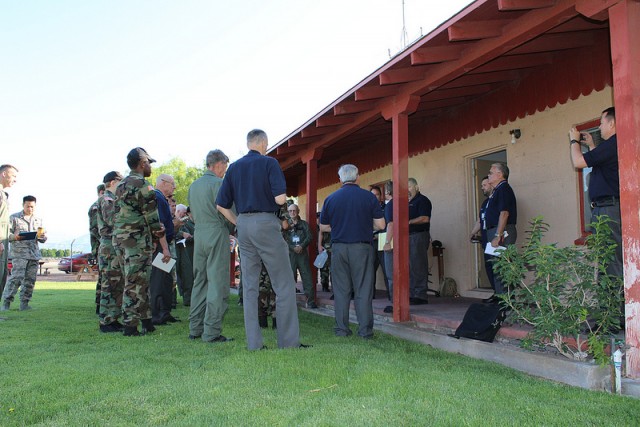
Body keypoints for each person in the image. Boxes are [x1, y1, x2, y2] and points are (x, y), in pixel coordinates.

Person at [216, 129, 306, 350]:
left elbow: (221, 205)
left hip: (244, 226)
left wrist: (239, 223)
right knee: (284, 283)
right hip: (266, 223)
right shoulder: (269, 163)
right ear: (263, 143)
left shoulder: (234, 167)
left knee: (249, 286)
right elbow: (279, 198)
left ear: (248, 144)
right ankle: (288, 342)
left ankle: (254, 344)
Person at [319, 164, 385, 339]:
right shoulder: (368, 197)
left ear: (340, 179)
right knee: (363, 290)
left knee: (341, 290)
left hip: (339, 248)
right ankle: (365, 332)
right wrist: (363, 224)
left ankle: (342, 330)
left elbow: (323, 226)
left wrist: (340, 227)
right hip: (362, 248)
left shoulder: (330, 199)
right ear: (358, 177)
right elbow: (381, 225)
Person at [113, 147, 165, 336]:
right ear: (142, 163)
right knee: (135, 282)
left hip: (119, 239)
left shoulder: (121, 185)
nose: (151, 166)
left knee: (137, 280)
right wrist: (159, 231)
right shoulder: (143, 185)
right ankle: (130, 325)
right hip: (136, 241)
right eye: (149, 163)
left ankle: (147, 321)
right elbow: (151, 215)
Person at [569, 107, 622, 279]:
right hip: (605, 209)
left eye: (601, 123)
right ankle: (610, 300)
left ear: (612, 123)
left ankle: (614, 304)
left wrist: (573, 141)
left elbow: (578, 162)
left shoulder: (613, 143)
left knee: (611, 260)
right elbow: (598, 163)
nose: (599, 127)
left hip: (609, 209)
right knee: (607, 258)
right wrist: (592, 145)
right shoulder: (610, 146)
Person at [188, 149, 235, 343]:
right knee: (218, 283)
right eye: (225, 165)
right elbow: (227, 210)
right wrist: (236, 225)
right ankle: (212, 331)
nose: (225, 169)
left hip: (199, 233)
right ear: (219, 164)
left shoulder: (194, 186)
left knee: (200, 282)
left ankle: (195, 328)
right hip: (216, 232)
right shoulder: (219, 183)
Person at [1, 195, 47, 311]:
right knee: (16, 278)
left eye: (32, 207)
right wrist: (15, 237)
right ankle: (6, 302)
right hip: (19, 254)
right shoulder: (14, 218)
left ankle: (25, 303)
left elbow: (42, 238)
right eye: (28, 206)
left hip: (33, 254)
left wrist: (42, 237)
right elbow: (5, 234)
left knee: (30, 281)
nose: (30, 209)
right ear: (23, 205)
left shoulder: (38, 220)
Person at [96, 171, 125, 332]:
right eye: (121, 182)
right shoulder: (107, 200)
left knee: (117, 282)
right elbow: (112, 220)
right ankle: (106, 320)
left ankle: (113, 318)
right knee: (109, 283)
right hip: (109, 246)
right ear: (113, 182)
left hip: (114, 245)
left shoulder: (114, 199)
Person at [485, 162, 517, 298]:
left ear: (500, 174)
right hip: (495, 231)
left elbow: (504, 213)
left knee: (502, 268)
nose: (488, 175)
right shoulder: (497, 190)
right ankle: (501, 300)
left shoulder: (504, 189)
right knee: (497, 268)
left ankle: (507, 302)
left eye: (491, 173)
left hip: (502, 232)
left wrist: (498, 235)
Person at [150, 173, 177, 326]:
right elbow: (159, 225)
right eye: (172, 184)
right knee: (158, 281)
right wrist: (165, 248)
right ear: (164, 183)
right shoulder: (157, 198)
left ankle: (165, 312)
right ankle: (156, 314)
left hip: (164, 244)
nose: (174, 187)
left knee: (166, 280)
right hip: (161, 246)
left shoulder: (162, 199)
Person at [469, 177, 496, 302]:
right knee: (489, 266)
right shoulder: (485, 203)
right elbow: (480, 221)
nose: (482, 188)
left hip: (495, 239)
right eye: (481, 185)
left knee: (497, 267)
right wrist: (472, 233)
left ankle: (504, 296)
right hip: (486, 240)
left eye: (484, 185)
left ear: (491, 185)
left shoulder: (497, 200)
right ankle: (496, 293)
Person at [284, 203, 316, 308]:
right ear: (288, 213)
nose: (292, 212)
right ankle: (289, 302)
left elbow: (309, 236)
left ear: (298, 212)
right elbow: (282, 239)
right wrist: (293, 247)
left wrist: (301, 246)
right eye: (290, 211)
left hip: (302, 254)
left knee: (307, 277)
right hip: (291, 254)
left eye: (294, 210)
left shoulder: (304, 224)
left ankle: (310, 301)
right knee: (289, 278)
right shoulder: (286, 225)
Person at [407, 177, 432, 305]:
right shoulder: (406, 202)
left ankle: (420, 295)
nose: (407, 190)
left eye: (409, 187)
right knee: (410, 266)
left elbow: (425, 218)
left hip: (418, 236)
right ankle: (412, 294)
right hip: (408, 236)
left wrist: (408, 222)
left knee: (418, 265)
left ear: (416, 187)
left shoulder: (422, 200)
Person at [0, 165, 18, 298]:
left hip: (4, 243)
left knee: (2, 276)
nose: (15, 180)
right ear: (4, 174)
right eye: (13, 176)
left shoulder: (3, 194)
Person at [370, 186, 390, 300]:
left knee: (387, 268)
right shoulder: (366, 208)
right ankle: (370, 295)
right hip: (370, 242)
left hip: (383, 240)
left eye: (377, 194)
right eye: (372, 194)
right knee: (370, 270)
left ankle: (391, 295)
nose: (375, 197)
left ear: (380, 196)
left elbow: (388, 224)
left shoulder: (386, 208)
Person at [89, 183, 105, 315]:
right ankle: (100, 305)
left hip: (103, 246)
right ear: (101, 192)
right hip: (101, 247)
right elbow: (96, 229)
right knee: (104, 277)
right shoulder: (96, 206)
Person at [174, 204, 195, 306]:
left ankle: (186, 299)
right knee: (175, 276)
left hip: (183, 252)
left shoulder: (184, 223)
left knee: (186, 275)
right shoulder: (181, 223)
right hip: (175, 251)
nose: (184, 215)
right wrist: (182, 234)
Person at [382, 181, 394, 313]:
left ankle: (394, 301)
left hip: (393, 241)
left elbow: (391, 223)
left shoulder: (390, 205)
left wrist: (387, 242)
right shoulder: (402, 203)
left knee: (391, 273)